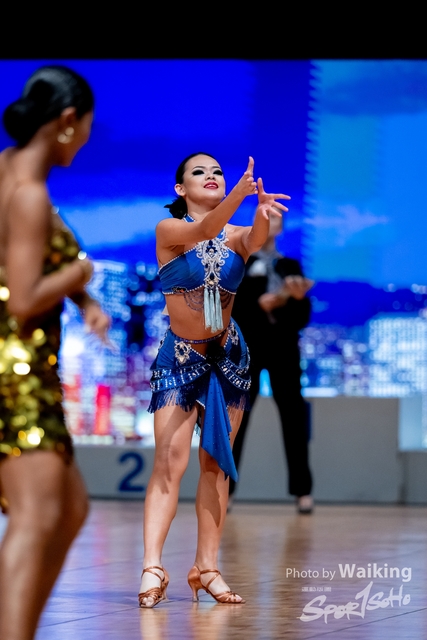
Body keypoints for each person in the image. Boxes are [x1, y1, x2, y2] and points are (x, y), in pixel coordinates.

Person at [138, 153, 290, 607]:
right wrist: (240, 196)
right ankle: (152, 566)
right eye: (200, 172)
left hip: (228, 358)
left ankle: (206, 569)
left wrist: (260, 212)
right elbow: (205, 230)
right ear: (180, 189)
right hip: (181, 357)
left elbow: (256, 238)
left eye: (218, 172)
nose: (212, 176)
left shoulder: (237, 235)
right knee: (170, 461)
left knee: (216, 464)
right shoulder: (170, 230)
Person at [0, 66, 110, 640]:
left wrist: (83, 298)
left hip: (22, 368)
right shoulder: (30, 194)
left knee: (68, 510)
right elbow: (22, 299)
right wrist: (80, 274)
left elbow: (28, 255)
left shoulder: (8, 170)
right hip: (16, 373)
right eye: (87, 126)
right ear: (68, 121)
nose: (86, 139)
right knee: (37, 515)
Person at [228, 213, 315, 514]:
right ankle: (226, 491)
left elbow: (302, 318)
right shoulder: (241, 263)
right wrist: (261, 304)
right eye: (266, 217)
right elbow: (232, 309)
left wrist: (296, 299)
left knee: (294, 419)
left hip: (284, 350)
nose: (272, 223)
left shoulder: (290, 266)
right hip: (247, 351)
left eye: (277, 218)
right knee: (237, 421)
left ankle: (303, 491)